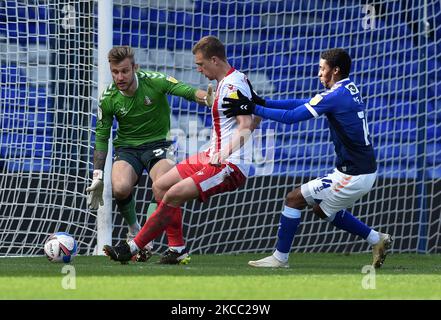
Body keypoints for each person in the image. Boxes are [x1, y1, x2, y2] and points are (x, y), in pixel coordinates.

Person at [222, 48, 392, 268]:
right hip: (356, 170)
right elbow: (302, 103)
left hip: (354, 174)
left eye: (322, 69)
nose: (319, 74)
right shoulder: (347, 89)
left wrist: (252, 107)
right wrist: (262, 102)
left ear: (336, 70)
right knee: (320, 209)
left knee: (294, 199)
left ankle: (280, 258)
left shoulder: (335, 96)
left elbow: (292, 117)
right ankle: (376, 239)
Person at [102, 35, 260, 263]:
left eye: (200, 64)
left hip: (228, 164)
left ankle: (134, 245)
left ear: (214, 60)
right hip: (211, 155)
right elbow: (255, 117)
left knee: (173, 193)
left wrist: (223, 154)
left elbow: (245, 125)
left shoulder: (233, 85)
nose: (198, 70)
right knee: (161, 185)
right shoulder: (227, 82)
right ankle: (177, 249)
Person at [86, 46, 213, 263]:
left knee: (163, 186)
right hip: (127, 149)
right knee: (120, 187)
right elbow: (101, 137)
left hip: (159, 145)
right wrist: (97, 174)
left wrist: (207, 98)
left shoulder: (154, 81)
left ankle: (145, 237)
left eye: (124, 71)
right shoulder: (108, 98)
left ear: (135, 68)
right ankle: (134, 229)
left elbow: (186, 91)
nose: (119, 77)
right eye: (115, 72)